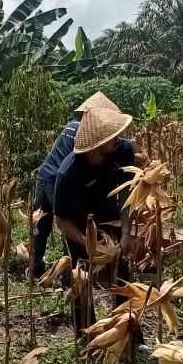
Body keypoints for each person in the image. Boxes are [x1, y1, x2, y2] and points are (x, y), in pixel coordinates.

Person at [53, 106, 141, 334]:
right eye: (112, 137)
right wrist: (89, 244)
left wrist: (126, 233)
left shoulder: (123, 150)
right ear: (97, 143)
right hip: (80, 229)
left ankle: (126, 332)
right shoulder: (68, 173)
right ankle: (86, 335)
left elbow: (127, 194)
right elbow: (61, 219)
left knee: (122, 279)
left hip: (111, 221)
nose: (118, 139)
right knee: (80, 283)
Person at [30, 91, 121, 277]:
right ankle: (69, 276)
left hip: (44, 174)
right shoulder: (89, 135)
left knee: (41, 226)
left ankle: (34, 267)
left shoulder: (73, 125)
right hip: (58, 180)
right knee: (69, 225)